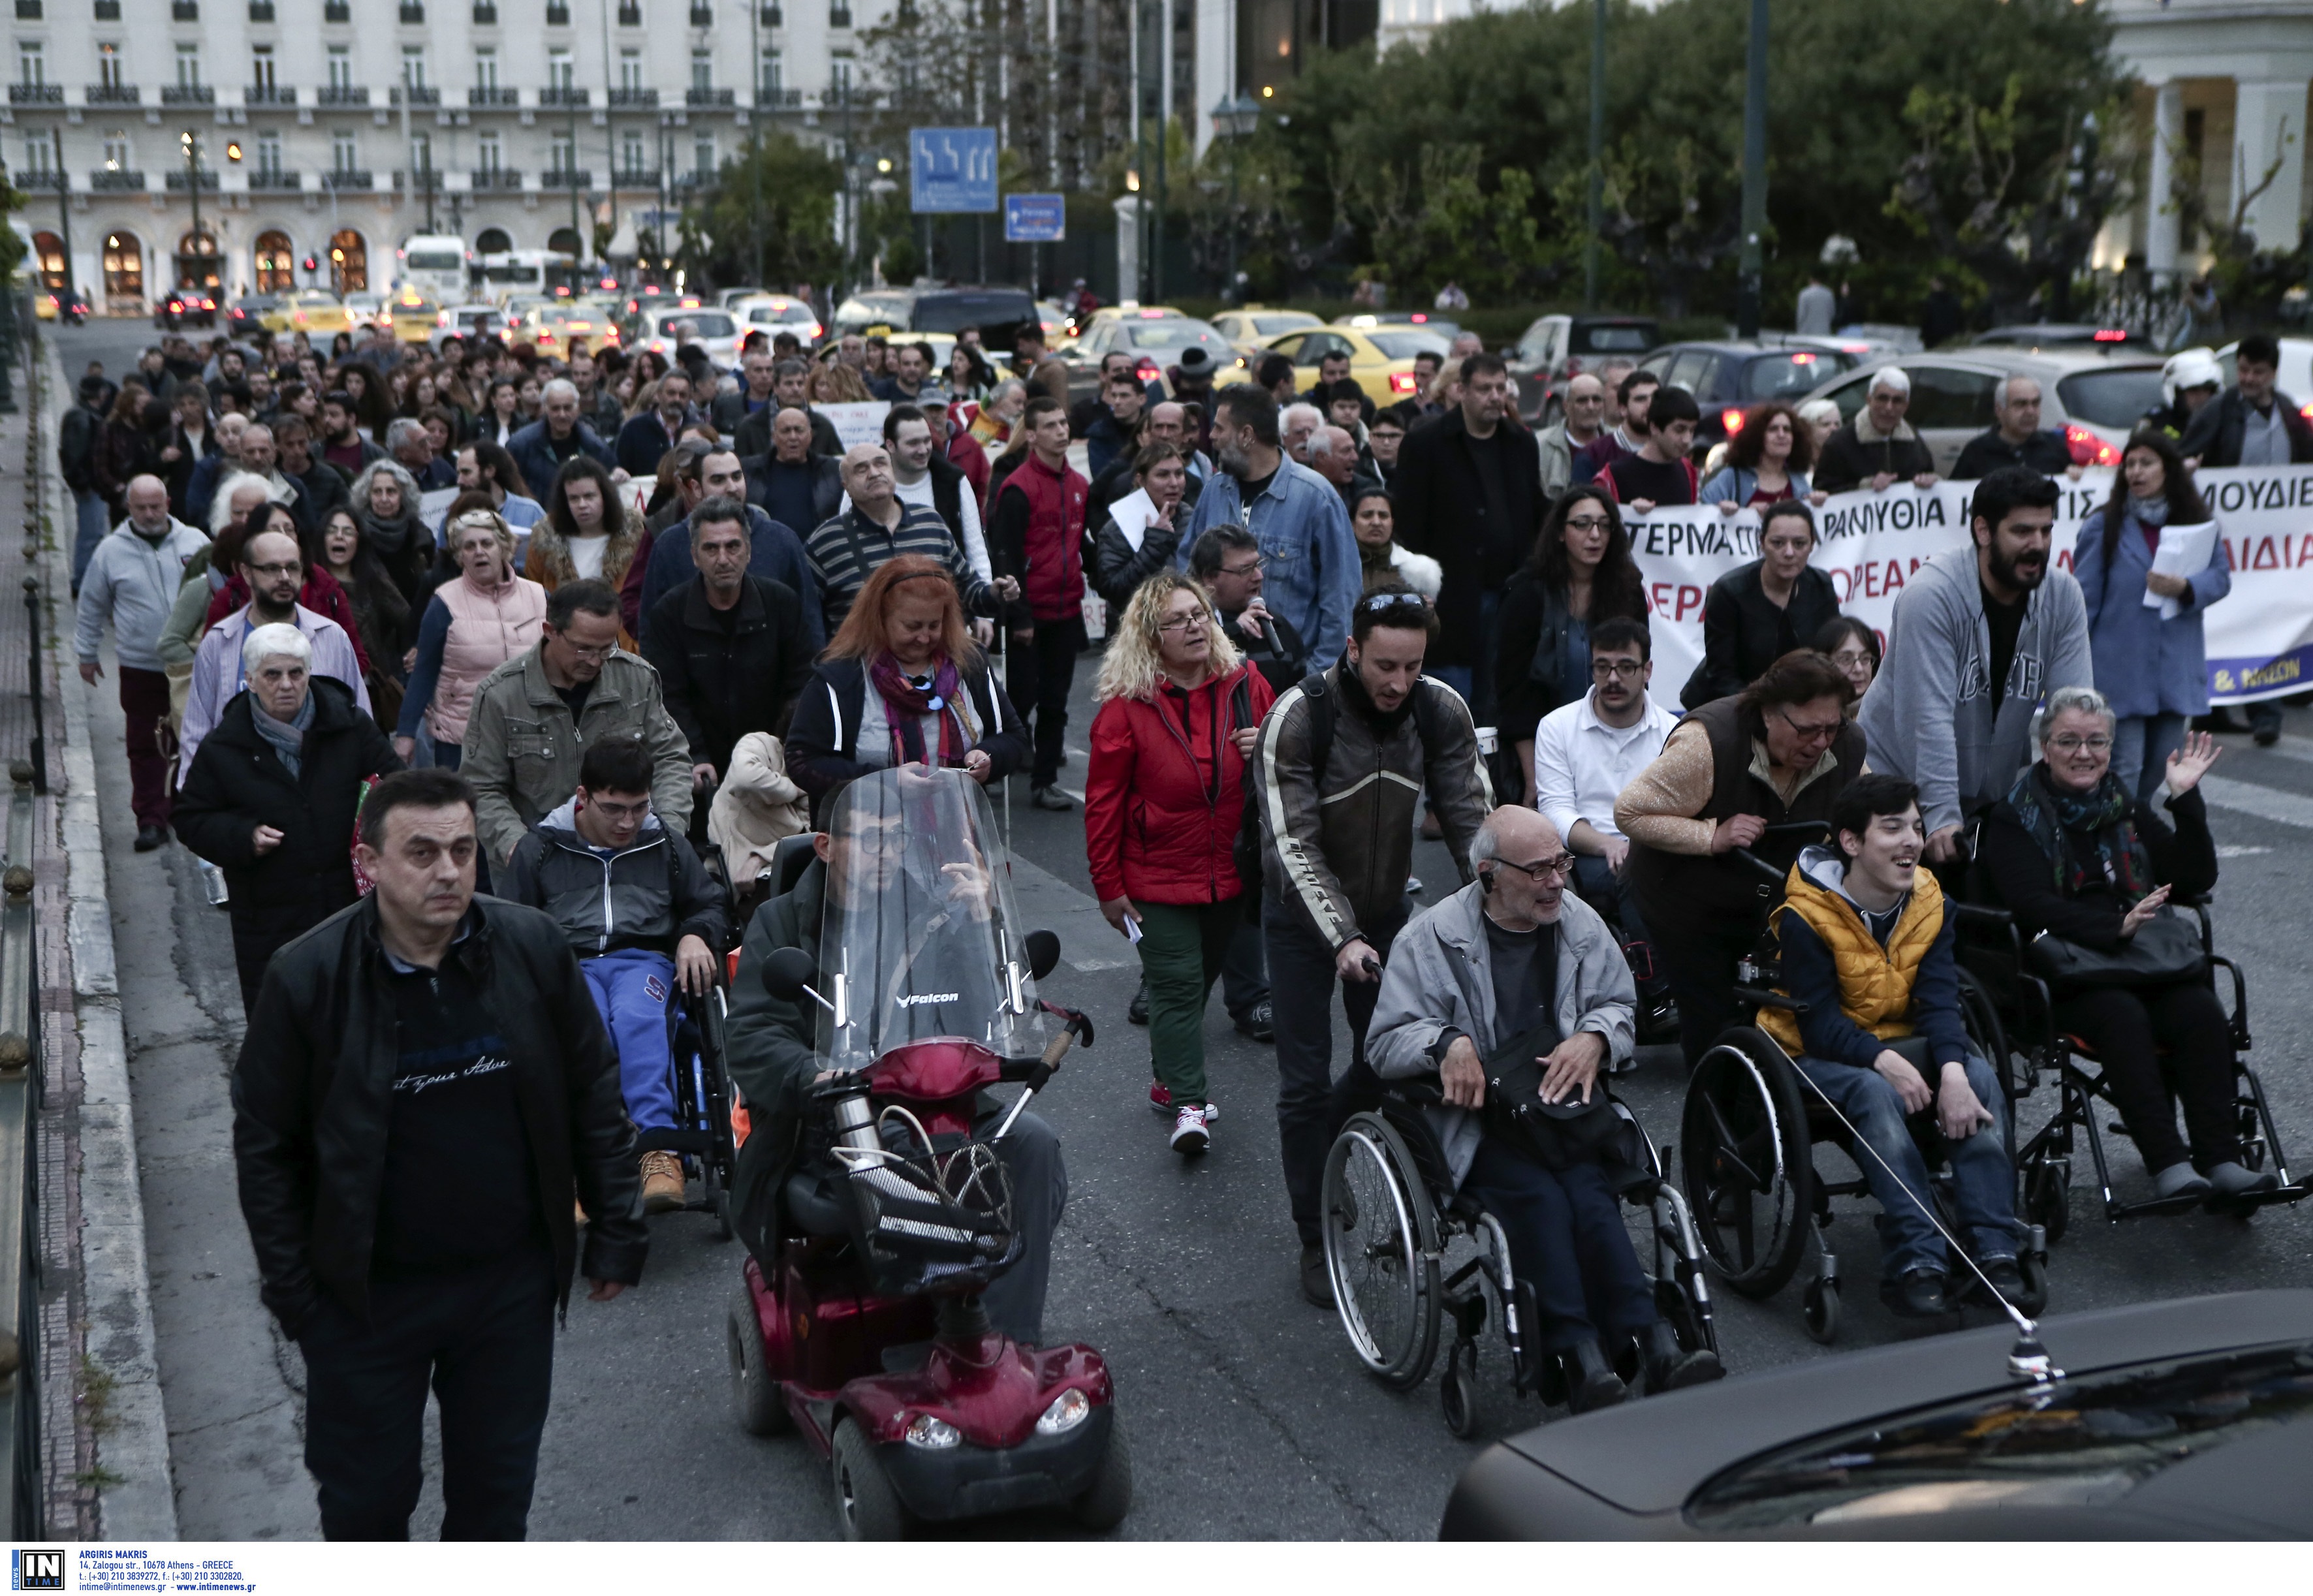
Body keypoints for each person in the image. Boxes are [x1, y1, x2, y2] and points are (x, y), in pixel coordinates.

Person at [231, 768, 646, 1541]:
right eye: (421, 853)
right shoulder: (307, 976)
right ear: (370, 863)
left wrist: (618, 1228)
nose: (449, 871)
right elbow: (266, 1147)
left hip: (505, 1292)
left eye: (462, 849)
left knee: (494, 1508)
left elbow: (593, 1088)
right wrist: (298, 1298)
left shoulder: (531, 947)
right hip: (365, 1302)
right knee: (367, 1508)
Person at [1366, 805, 1722, 1406]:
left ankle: (1653, 1340)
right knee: (1537, 1195)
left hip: (1558, 1110)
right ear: (1488, 874)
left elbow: (1618, 1004)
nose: (1558, 880)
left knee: (1586, 1189)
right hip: (1476, 1119)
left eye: (1560, 863)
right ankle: (1579, 1351)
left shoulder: (1578, 922)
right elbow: (1382, 1042)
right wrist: (1443, 1042)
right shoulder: (1428, 940)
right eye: (1538, 870)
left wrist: (1596, 1037)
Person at [721, 771, 1066, 1345]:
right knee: (927, 1162)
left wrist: (985, 920)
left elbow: (992, 1006)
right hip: (833, 1117)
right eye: (869, 839)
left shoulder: (927, 904)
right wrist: (814, 1074)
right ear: (827, 846)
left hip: (934, 1097)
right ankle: (937, 1320)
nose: (886, 852)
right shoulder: (779, 921)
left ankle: (1005, 1339)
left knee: (1030, 1142)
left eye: (895, 838)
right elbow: (752, 1035)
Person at [1255, 587, 1492, 1306]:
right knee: (1302, 1082)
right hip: (1302, 923)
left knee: (1384, 1065)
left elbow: (1472, 822)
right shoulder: (1298, 717)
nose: (1398, 683)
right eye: (1385, 665)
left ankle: (1350, 1154)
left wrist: (1508, 900)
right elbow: (1290, 846)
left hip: (1389, 913)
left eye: (1412, 666)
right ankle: (1314, 1227)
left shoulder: (1439, 708)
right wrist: (1342, 936)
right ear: (1352, 650)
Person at [1981, 691, 2272, 1204]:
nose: (2083, 752)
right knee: (2120, 1015)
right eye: (2068, 740)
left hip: (2138, 963)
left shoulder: (2127, 807)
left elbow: (2194, 878)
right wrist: (2113, 925)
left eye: (2096, 741)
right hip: (2064, 970)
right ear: (2044, 748)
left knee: (2198, 1011)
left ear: (2110, 748)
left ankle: (2221, 1159)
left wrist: (2184, 800)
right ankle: (2168, 1163)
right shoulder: (2012, 818)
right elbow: (2030, 906)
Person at [1755, 774, 2026, 1317]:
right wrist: (1888, 1063)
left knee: (1977, 1078)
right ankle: (1916, 1255)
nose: (1910, 840)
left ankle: (1994, 1246)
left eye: (1916, 827)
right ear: (1851, 842)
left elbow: (1940, 1000)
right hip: (1812, 1053)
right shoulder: (1806, 915)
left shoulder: (1930, 902)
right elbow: (1819, 1027)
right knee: (1873, 1091)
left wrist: (1949, 1072)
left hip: (1903, 1040)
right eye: (1892, 828)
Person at [1084, 574, 1276, 1153]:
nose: (1194, 625)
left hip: (1230, 871)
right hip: (1153, 878)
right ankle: (1189, 1104)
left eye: (1198, 614)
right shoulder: (1125, 709)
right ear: (1150, 636)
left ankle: (1167, 1077)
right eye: (1177, 619)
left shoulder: (1247, 684)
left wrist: (1264, 744)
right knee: (1176, 982)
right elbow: (1102, 804)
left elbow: (1292, 760)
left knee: (1198, 983)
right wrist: (1107, 887)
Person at [501, 735, 729, 1215]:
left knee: (635, 1017)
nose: (628, 822)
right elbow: (511, 923)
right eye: (614, 809)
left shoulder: (663, 840)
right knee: (586, 1029)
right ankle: (586, 1162)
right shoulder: (541, 847)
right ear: (582, 798)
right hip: (568, 963)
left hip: (643, 959)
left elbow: (708, 901)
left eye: (639, 807)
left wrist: (694, 935)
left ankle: (657, 1150)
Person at [1618, 648, 1865, 1066]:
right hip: (1683, 899)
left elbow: (1865, 815)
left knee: (1788, 1013)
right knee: (1712, 1024)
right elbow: (1630, 812)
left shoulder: (1847, 747)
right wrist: (1711, 834)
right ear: (1769, 714)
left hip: (1768, 897)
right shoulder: (1710, 741)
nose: (1821, 742)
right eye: (1808, 730)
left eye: (1831, 727)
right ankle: (1713, 1111)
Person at [1858, 467, 2092, 863]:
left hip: (1987, 794)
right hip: (1892, 791)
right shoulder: (1931, 596)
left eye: (2046, 531)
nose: (2038, 545)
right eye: (2022, 532)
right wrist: (1942, 815)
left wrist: (2084, 796)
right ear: (1983, 532)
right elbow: (1926, 719)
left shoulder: (2063, 596)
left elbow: (2074, 712)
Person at [174, 623, 402, 1009]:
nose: (286, 685)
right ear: (249, 680)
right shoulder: (225, 747)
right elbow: (191, 818)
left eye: (296, 673)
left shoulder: (349, 727)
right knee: (286, 1033)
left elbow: (398, 785)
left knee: (360, 1018)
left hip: (350, 910)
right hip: (269, 920)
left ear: (309, 674)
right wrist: (242, 836)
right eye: (272, 675)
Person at [461, 579, 694, 869]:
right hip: (539, 861)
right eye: (583, 649)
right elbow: (481, 787)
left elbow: (670, 757)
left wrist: (667, 830)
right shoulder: (500, 695)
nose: (596, 661)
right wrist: (518, 848)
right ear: (550, 632)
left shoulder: (636, 679)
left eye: (606, 648)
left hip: (629, 856)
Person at [783, 556, 1030, 814]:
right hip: (867, 838)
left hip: (957, 834)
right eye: (912, 626)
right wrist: (884, 782)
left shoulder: (970, 665)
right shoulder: (842, 678)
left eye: (934, 625)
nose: (924, 638)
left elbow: (1013, 737)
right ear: (879, 620)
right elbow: (803, 762)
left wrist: (990, 757)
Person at [2071, 429, 2229, 799]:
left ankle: (2128, 834)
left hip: (2175, 671)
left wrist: (2187, 588)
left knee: (2161, 765)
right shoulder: (2104, 524)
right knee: (2124, 766)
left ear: (2168, 470)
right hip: (2120, 673)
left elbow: (2220, 578)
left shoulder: (2195, 521)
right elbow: (2084, 601)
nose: (2136, 472)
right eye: (2130, 464)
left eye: (2147, 463)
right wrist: (2077, 667)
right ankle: (2120, 844)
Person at [1533, 616, 1678, 1014]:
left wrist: (1641, 844)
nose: (1613, 678)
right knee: (1633, 871)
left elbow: (1681, 811)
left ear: (1647, 671)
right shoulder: (1557, 727)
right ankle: (1662, 992)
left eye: (1626, 667)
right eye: (1602, 667)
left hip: (1654, 848)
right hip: (1585, 853)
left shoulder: (1674, 732)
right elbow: (1556, 813)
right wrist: (1610, 844)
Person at [640, 497, 814, 794]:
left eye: (733, 546)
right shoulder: (669, 614)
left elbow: (800, 684)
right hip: (699, 769)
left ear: (748, 551)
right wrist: (694, 754)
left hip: (773, 760)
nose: (723, 559)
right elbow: (668, 695)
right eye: (711, 548)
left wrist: (779, 748)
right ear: (695, 555)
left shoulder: (782, 604)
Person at [74, 476, 212, 849]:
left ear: (168, 502)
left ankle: (190, 809)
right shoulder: (109, 552)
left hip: (192, 664)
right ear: (128, 508)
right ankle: (151, 818)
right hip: (141, 665)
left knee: (195, 738)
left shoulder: (195, 542)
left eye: (156, 506)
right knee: (145, 744)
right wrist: (86, 654)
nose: (150, 514)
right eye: (141, 508)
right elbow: (91, 605)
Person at [179, 529, 372, 783]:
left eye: (292, 568)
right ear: (247, 574)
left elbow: (361, 718)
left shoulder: (331, 637)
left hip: (321, 789)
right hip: (241, 792)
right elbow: (197, 730)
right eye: (271, 569)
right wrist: (197, 801)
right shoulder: (219, 642)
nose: (284, 577)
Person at [1494, 486, 1652, 793]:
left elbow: (1638, 678)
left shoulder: (1629, 590)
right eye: (1582, 524)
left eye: (1604, 525)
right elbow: (1514, 696)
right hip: (1545, 748)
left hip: (1614, 745)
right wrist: (1533, 780)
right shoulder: (1526, 593)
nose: (1595, 535)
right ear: (1560, 533)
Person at [985, 396, 1089, 810]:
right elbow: (1006, 555)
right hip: (1030, 614)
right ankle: (990, 764)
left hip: (1066, 610)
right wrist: (1021, 615)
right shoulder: (1017, 489)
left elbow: (1086, 546)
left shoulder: (1080, 486)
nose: (1061, 431)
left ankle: (1044, 782)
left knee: (1055, 703)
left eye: (1064, 423)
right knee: (1020, 698)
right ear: (1031, 435)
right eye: (1050, 425)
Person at [394, 509, 550, 773]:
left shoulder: (539, 596)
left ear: (504, 547)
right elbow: (423, 672)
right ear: (460, 556)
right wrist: (406, 733)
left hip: (529, 731)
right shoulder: (443, 603)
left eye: (487, 543)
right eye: (469, 546)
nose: (479, 551)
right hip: (461, 737)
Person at [632, 449, 824, 648]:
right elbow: (651, 627)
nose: (732, 487)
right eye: (718, 480)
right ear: (696, 488)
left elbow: (810, 621)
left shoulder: (782, 540)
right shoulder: (669, 545)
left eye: (737, 476)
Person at [1682, 501, 1842, 709]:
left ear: (1812, 545)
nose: (1789, 553)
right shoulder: (1728, 592)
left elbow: (1831, 654)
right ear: (1762, 543)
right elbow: (1722, 675)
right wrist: (1769, 713)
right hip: (1729, 705)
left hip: (1800, 706)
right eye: (1778, 543)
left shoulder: (1821, 585)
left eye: (1800, 544)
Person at [883, 403, 990, 584]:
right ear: (890, 445)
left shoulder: (954, 482)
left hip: (947, 601)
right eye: (913, 443)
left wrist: (984, 609)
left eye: (927, 441)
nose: (923, 450)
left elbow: (977, 552)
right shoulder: (866, 484)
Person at [526, 455, 642, 613]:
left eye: (589, 496)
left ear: (605, 496)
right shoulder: (543, 542)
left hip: (622, 633)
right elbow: (532, 594)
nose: (582, 505)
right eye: (574, 499)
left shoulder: (637, 537)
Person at [1090, 443, 1190, 615]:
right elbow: (1115, 592)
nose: (1174, 483)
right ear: (1141, 480)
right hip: (1138, 628)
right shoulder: (1116, 529)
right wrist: (1155, 543)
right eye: (1163, 475)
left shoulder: (1192, 517)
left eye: (1179, 474)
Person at [1814, 368, 1938, 494]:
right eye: (1883, 399)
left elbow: (1929, 475)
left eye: (1897, 401)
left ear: (1906, 406)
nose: (1889, 407)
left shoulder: (1914, 441)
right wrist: (1865, 486)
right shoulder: (1839, 443)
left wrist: (1931, 481)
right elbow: (1823, 491)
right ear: (1869, 399)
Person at [508, 378, 618, 503]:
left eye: (568, 408)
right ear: (545, 409)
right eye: (555, 409)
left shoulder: (595, 446)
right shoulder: (520, 445)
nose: (562, 415)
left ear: (578, 408)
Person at [1699, 400, 1817, 512]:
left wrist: (1819, 502)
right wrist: (1738, 514)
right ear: (1757, 436)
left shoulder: (1799, 481)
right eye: (1773, 429)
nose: (1782, 435)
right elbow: (1703, 513)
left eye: (1787, 430)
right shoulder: (1732, 477)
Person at [1951, 376, 2077, 480]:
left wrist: (2076, 474)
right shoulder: (1977, 452)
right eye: (2020, 404)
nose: (2030, 411)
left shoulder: (2055, 446)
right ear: (1999, 410)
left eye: (2035, 403)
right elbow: (1954, 496)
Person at [1601, 384, 1701, 513]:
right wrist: (1627, 512)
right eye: (1679, 430)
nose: (1687, 439)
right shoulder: (1614, 475)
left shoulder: (1688, 471)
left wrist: (1723, 514)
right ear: (1654, 428)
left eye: (1692, 430)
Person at [1348, 485, 1440, 600]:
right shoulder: (1338, 567)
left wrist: (1428, 612)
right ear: (1353, 523)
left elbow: (1432, 618)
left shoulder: (1418, 573)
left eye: (1383, 516)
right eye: (1367, 515)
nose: (1376, 522)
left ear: (1392, 523)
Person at [1569, 369, 1658, 486]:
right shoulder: (1592, 456)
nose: (1650, 405)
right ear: (1623, 409)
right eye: (1641, 399)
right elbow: (1580, 502)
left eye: (1656, 398)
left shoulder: (1672, 451)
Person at [1537, 372, 1607, 502]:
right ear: (1566, 406)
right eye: (1582, 401)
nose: (1590, 407)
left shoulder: (1615, 441)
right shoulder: (1541, 445)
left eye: (1596, 400)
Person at [615, 371, 699, 479]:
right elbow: (620, 465)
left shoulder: (698, 429)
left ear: (690, 398)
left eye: (683, 395)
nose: (677, 399)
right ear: (659, 394)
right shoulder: (634, 428)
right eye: (671, 393)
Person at [2144, 347, 2223, 441]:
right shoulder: (2157, 424)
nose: (2202, 397)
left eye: (2207, 390)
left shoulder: (2226, 421)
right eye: (2193, 390)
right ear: (2178, 394)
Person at [1814, 614, 1880, 711]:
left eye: (1865, 659)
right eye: (1846, 659)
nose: (1859, 669)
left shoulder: (1887, 714)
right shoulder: (1809, 716)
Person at [1920, 275, 1965, 349]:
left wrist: (1924, 335)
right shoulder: (1954, 300)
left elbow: (1926, 320)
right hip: (1951, 336)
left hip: (1934, 337)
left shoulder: (1931, 301)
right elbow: (1961, 320)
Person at [1796, 272, 1836, 337]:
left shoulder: (1804, 294)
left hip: (1807, 334)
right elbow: (1832, 314)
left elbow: (1801, 316)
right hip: (1825, 332)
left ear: (1810, 279)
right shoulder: (1829, 294)